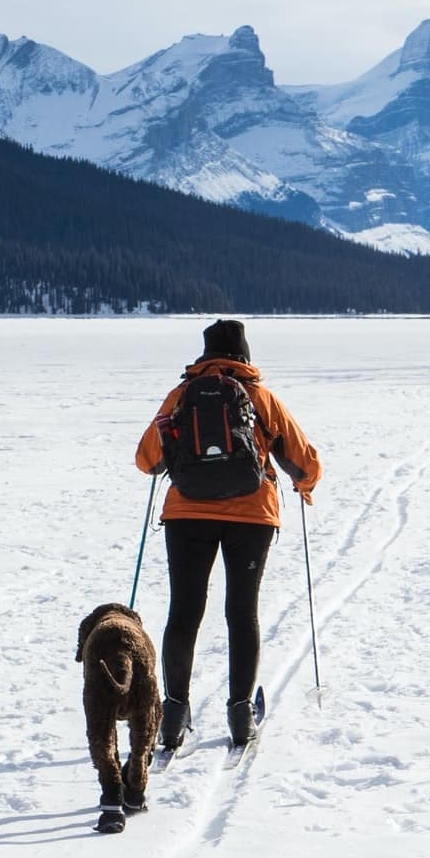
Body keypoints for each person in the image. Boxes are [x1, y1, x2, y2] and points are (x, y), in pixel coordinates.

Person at [135, 319, 320, 748]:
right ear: (245, 354)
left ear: (205, 354)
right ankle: (240, 716)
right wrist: (303, 486)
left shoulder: (181, 396)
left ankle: (174, 714)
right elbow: (304, 460)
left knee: (184, 610)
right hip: (252, 517)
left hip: (187, 515)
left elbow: (147, 459)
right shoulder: (260, 397)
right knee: (241, 611)